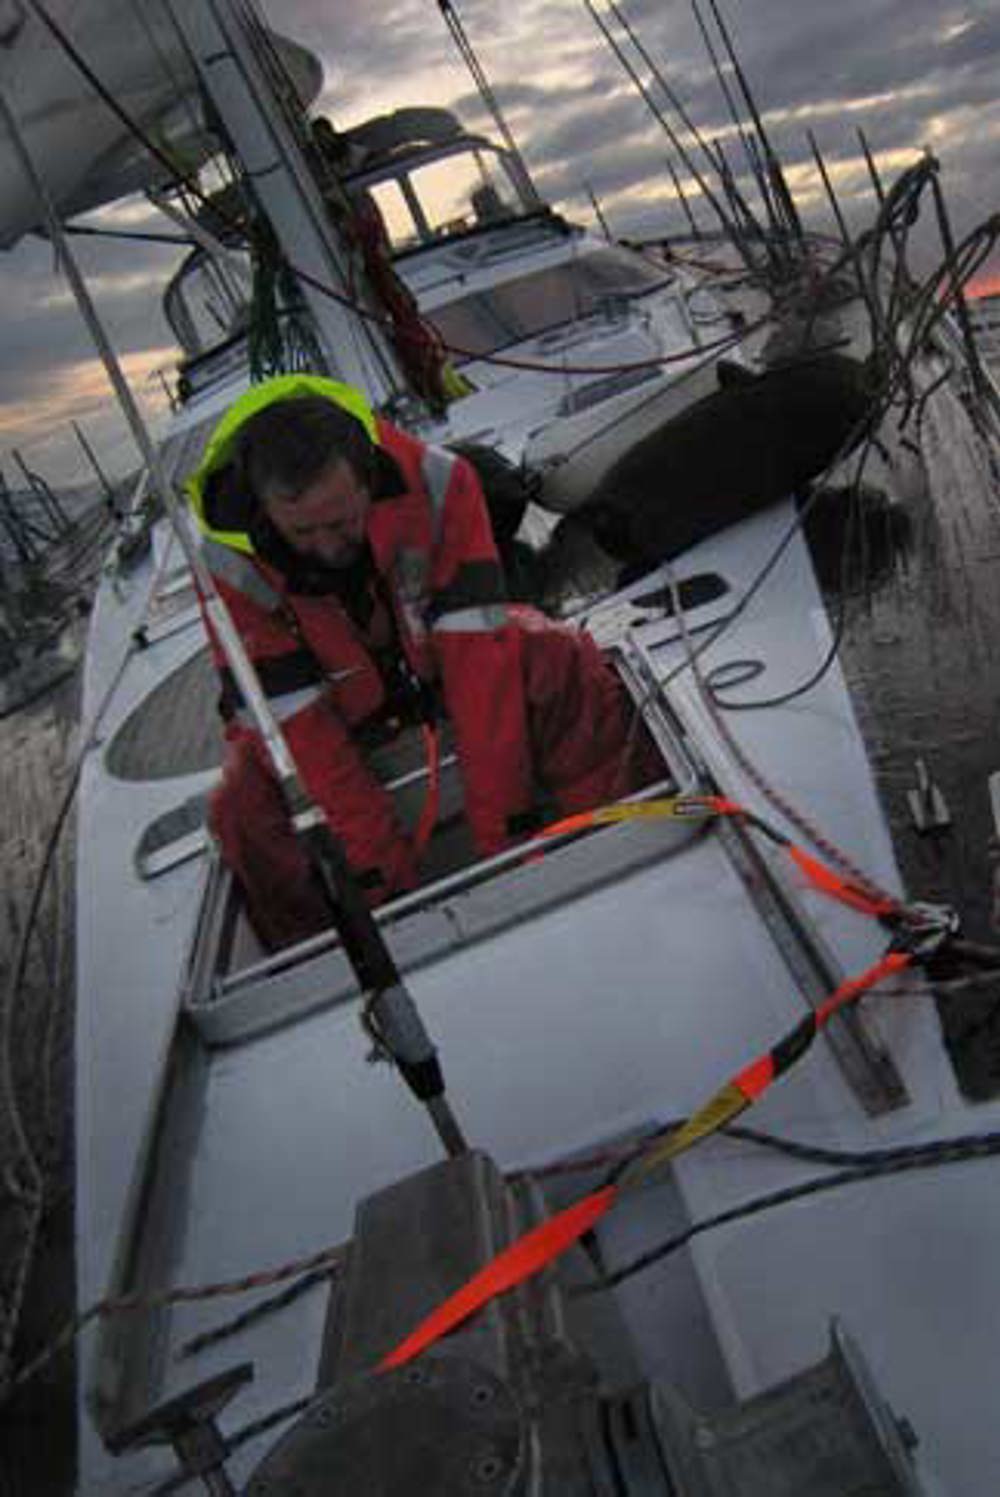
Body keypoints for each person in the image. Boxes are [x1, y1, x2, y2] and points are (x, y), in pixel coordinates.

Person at [188, 374, 659, 948]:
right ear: (265, 511)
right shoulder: (226, 565)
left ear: (369, 478)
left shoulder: (439, 483)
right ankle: (330, 954)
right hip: (340, 725)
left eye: (340, 523)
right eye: (301, 532)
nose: (326, 547)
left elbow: (478, 664)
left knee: (555, 657)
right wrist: (384, 885)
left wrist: (505, 849)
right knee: (241, 803)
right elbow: (296, 726)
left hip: (443, 686)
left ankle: (617, 852)